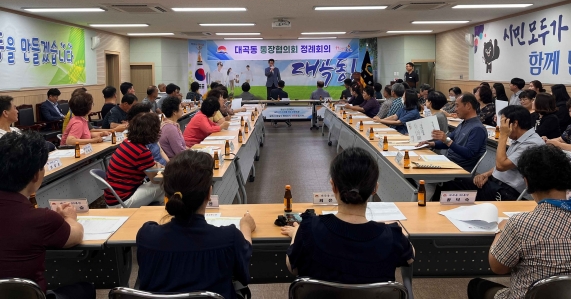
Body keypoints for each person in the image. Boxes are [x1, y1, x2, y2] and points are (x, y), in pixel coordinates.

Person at [282, 147, 414, 283]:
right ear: (375, 188)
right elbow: (410, 258)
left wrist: (297, 233)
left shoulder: (308, 229)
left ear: (333, 186)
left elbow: (293, 268)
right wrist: (392, 232)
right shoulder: (392, 237)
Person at [467, 144, 571, 299]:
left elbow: (498, 268)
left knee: (477, 285)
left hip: (527, 295)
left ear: (527, 182)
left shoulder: (520, 224)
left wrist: (501, 229)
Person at [137, 150, 254, 297]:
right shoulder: (229, 238)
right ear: (209, 193)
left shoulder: (146, 236)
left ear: (166, 195)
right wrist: (246, 227)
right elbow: (243, 275)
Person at [0, 131, 94, 299]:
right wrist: (70, 218)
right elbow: (76, 234)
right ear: (36, 175)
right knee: (85, 290)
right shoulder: (41, 219)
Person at [437, 105, 544, 202]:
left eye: (503, 123)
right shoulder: (520, 138)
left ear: (514, 124)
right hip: (495, 182)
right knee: (451, 182)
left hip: (507, 191)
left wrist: (503, 135)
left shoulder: (532, 144)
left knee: (453, 189)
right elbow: (506, 163)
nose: (501, 127)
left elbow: (501, 165)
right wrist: (486, 174)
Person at [104, 112, 165, 208]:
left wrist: (156, 168)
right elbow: (155, 179)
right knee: (164, 185)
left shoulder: (127, 142)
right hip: (122, 202)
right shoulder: (141, 151)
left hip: (114, 197)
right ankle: (162, 213)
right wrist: (159, 168)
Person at [420, 94, 487, 172]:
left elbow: (469, 153)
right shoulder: (464, 123)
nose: (455, 109)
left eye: (457, 106)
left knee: (421, 170)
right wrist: (430, 144)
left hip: (460, 169)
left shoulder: (477, 129)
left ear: (468, 106)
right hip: (449, 162)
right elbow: (449, 140)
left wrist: (447, 141)